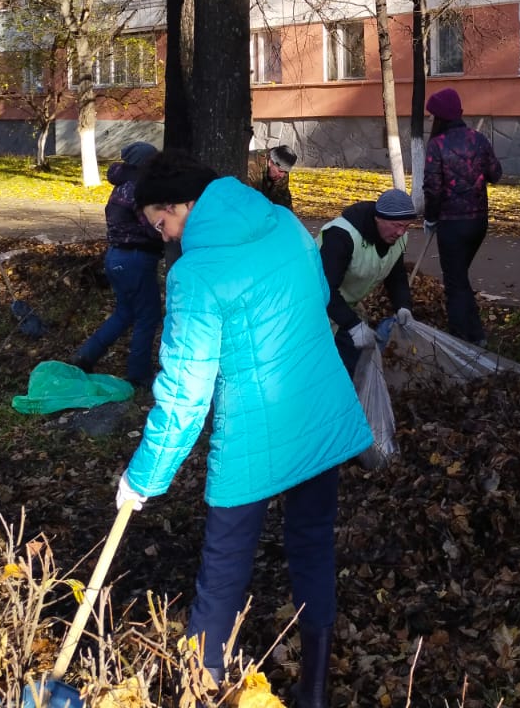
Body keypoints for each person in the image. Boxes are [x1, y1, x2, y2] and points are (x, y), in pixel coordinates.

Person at [118, 150, 371, 707]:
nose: (164, 237)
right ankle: (314, 693)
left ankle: (201, 691)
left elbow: (185, 393)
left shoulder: (196, 274)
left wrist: (144, 477)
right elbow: (318, 299)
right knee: (312, 546)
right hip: (320, 412)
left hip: (254, 435)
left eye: (161, 224)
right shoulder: (284, 223)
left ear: (180, 205)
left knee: (224, 567)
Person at [71, 142, 164, 386]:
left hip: (116, 257)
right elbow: (152, 228)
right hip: (136, 260)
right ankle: (139, 374)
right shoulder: (138, 191)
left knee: (125, 313)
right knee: (148, 316)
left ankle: (85, 356)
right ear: (144, 164)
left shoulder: (121, 187)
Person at [422, 87, 502, 345]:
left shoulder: (437, 145)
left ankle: (462, 339)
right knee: (459, 277)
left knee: (454, 282)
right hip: (478, 222)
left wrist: (430, 217)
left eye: (432, 114)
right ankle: (475, 334)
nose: (430, 119)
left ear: (440, 116)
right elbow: (496, 174)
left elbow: (432, 188)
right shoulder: (478, 139)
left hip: (452, 225)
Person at [319, 188, 417, 375]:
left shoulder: (398, 237)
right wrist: (353, 325)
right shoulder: (341, 236)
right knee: (326, 364)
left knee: (353, 360)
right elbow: (324, 288)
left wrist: (403, 306)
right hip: (311, 305)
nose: (401, 232)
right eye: (396, 225)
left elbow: (396, 276)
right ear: (378, 218)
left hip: (343, 305)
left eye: (406, 226)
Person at [248, 144, 298, 210]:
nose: (282, 175)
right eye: (280, 171)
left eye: (286, 172)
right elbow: (246, 200)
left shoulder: (282, 172)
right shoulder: (251, 166)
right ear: (270, 162)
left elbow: (284, 201)